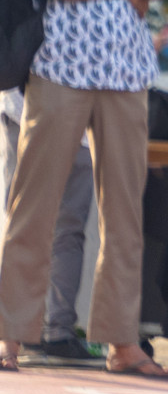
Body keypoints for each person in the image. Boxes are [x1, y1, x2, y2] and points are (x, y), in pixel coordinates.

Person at [1, 0, 168, 377]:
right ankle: (9, 333)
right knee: (35, 206)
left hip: (126, 79)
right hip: (60, 72)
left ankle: (121, 344)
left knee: (124, 213)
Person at [0, 89, 95, 360]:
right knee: (55, 229)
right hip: (37, 111)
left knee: (26, 224)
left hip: (38, 108)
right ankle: (52, 331)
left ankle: (27, 332)